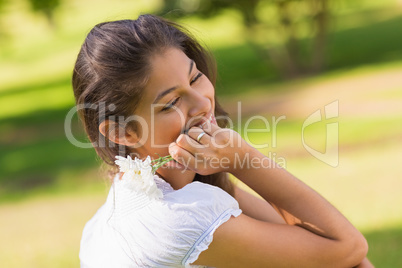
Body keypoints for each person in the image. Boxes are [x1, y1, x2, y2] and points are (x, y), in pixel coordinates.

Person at [73, 14, 373, 267]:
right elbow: (347, 246)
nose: (203, 104)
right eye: (171, 102)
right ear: (122, 132)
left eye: (194, 78)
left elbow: (319, 244)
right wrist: (241, 158)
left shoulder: (137, 196)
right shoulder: (180, 216)